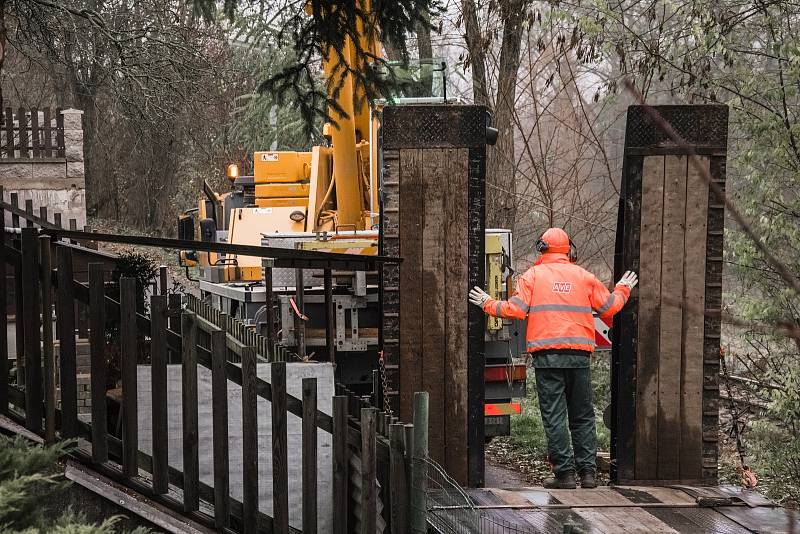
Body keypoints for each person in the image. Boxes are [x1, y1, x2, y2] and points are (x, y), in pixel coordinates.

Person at [469, 228, 638, 489]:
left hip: (547, 358)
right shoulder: (584, 276)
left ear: (542, 248)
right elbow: (610, 309)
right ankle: (588, 475)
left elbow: (515, 310)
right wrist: (623, 288)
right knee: (582, 416)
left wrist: (487, 303)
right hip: (579, 356)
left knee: (555, 416)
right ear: (568, 250)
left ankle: (565, 475)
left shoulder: (533, 276)